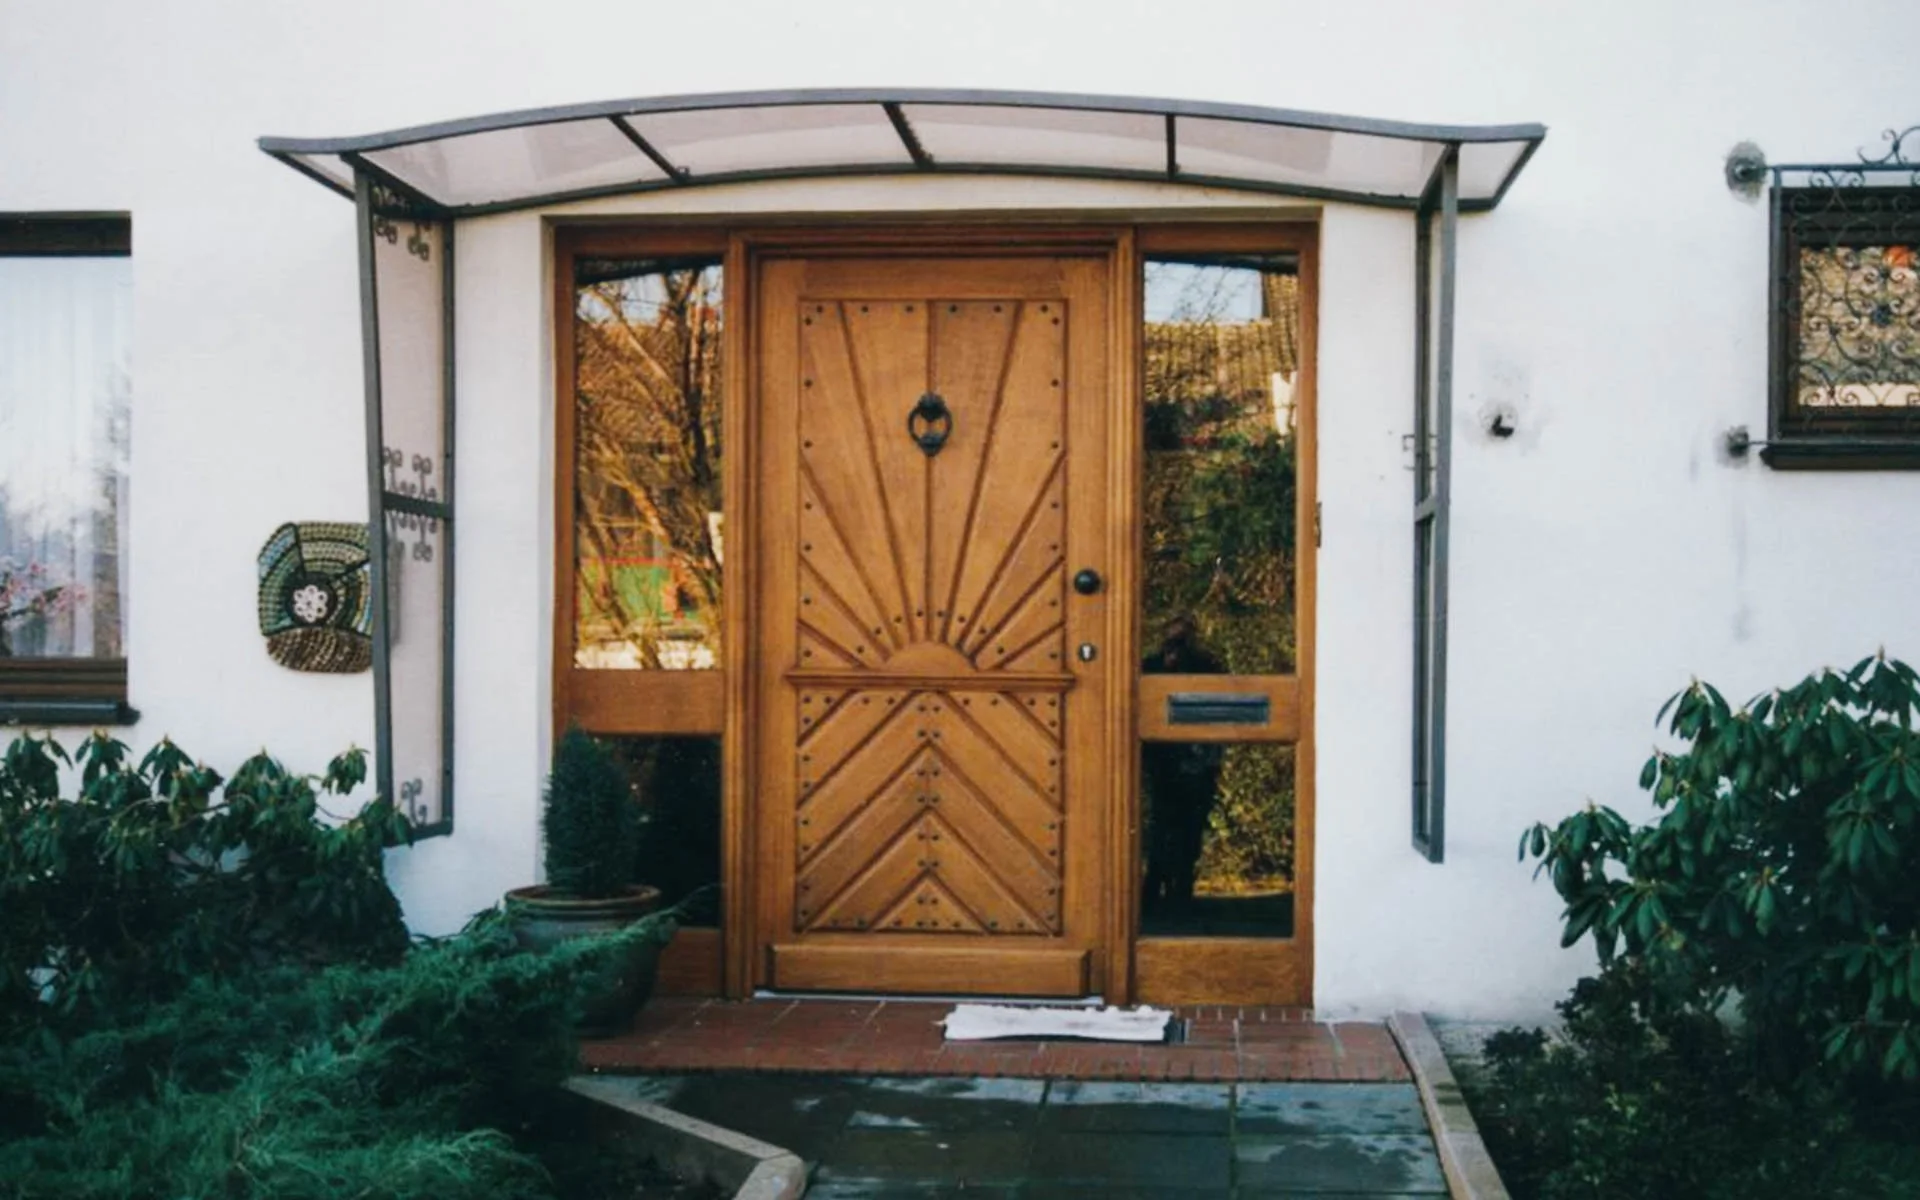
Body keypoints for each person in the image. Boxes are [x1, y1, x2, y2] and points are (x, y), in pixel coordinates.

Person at [1141, 616, 1226, 913]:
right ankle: (1156, 885)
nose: (1177, 649)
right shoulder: (1152, 666)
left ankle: (1180, 888)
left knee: (1189, 825)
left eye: (1183, 641)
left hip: (1195, 757)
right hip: (1165, 759)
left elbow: (1219, 707)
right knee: (1163, 823)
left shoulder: (1207, 666)